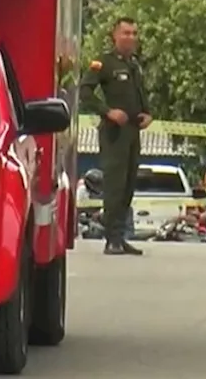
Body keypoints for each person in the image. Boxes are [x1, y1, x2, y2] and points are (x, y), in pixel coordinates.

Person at [80, 17, 152, 256]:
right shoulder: (104, 63)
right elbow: (85, 91)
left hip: (133, 131)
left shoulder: (134, 65)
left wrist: (148, 113)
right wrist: (108, 112)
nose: (131, 37)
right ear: (115, 36)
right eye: (126, 33)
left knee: (129, 185)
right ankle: (111, 239)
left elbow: (141, 94)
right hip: (114, 133)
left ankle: (120, 237)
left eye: (134, 33)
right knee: (114, 186)